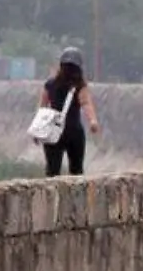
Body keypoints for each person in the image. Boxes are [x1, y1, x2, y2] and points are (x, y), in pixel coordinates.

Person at [40, 47, 101, 177]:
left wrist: (38, 130)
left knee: (52, 171)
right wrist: (93, 121)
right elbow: (86, 103)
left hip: (53, 131)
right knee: (76, 171)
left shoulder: (50, 84)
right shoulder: (79, 86)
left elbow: (42, 108)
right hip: (73, 130)